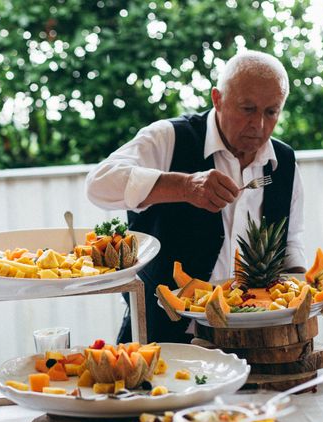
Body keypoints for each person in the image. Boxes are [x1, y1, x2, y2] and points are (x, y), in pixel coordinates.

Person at [86, 50, 306, 344]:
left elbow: (290, 242)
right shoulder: (168, 138)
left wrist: (304, 293)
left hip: (256, 338)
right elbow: (99, 184)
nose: (259, 125)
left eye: (271, 112)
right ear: (217, 99)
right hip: (162, 337)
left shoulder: (285, 162)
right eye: (247, 109)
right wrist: (185, 186)